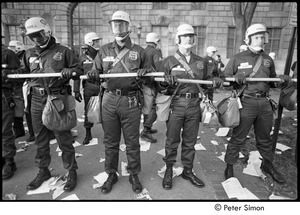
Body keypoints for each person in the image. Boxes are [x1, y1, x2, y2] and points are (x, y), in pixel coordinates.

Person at [87, 11, 151, 194]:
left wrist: (146, 72)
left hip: (130, 101)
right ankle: (111, 173)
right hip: (109, 100)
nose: (118, 28)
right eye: (115, 25)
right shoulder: (104, 50)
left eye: (122, 24)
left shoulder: (140, 51)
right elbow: (95, 72)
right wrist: (93, 74)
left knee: (132, 142)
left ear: (129, 27)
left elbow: (150, 78)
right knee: (110, 141)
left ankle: (134, 173)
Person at [223, 23, 291, 184]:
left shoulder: (267, 60)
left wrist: (281, 80)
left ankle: (267, 164)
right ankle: (229, 165)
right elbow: (225, 78)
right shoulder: (237, 58)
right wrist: (235, 80)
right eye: (257, 37)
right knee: (238, 137)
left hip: (265, 104)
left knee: (265, 137)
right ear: (249, 39)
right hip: (246, 102)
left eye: (262, 37)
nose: (260, 40)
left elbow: (273, 81)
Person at [158, 24, 223, 190]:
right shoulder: (168, 61)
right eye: (185, 36)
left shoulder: (201, 62)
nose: (188, 39)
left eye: (191, 36)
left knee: (190, 141)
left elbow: (208, 82)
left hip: (195, 105)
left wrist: (215, 82)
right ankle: (169, 169)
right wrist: (165, 82)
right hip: (176, 105)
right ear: (177, 39)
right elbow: (158, 87)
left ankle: (188, 170)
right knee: (172, 140)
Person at [21, 17, 81, 191]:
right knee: (40, 139)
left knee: (64, 138)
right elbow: (21, 72)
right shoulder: (28, 54)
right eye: (32, 37)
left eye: (38, 35)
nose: (36, 39)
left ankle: (71, 171)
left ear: (47, 31)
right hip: (37, 100)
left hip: (57, 99)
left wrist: (72, 71)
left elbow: (79, 70)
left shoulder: (63, 51)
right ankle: (43, 170)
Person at [2, 36, 26, 179]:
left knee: (4, 130)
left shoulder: (7, 54)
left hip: (4, 95)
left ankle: (9, 161)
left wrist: (7, 76)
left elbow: (20, 76)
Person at [73, 32, 101, 145]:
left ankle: (109, 133)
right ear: (90, 42)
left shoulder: (102, 54)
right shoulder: (82, 58)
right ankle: (88, 133)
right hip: (89, 87)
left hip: (102, 87)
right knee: (88, 110)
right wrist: (76, 90)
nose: (98, 43)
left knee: (107, 111)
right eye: (96, 41)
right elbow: (77, 74)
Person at [140, 32, 163, 143]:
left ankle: (147, 127)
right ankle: (146, 130)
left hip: (143, 83)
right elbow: (159, 68)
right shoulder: (156, 52)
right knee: (153, 107)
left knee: (147, 106)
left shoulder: (142, 51)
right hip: (152, 83)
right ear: (156, 41)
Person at [8, 40, 26, 139]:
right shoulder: (16, 57)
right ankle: (18, 130)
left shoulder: (20, 58)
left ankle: (19, 131)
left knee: (19, 109)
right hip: (16, 87)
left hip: (19, 87)